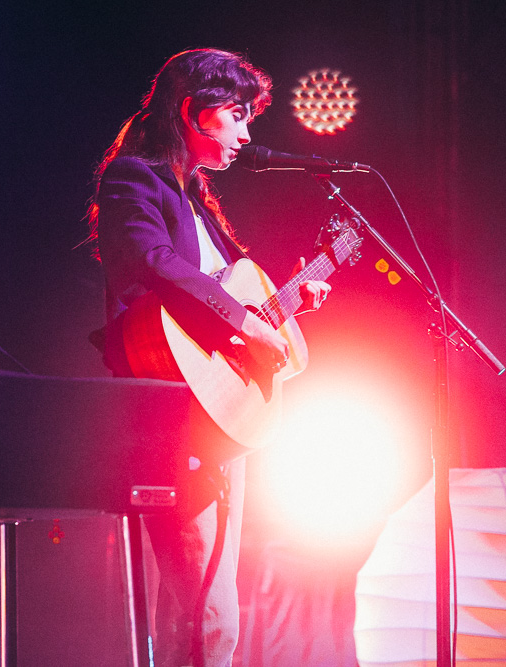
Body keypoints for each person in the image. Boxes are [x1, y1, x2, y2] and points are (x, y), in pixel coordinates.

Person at [85, 49, 330, 667]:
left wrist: (287, 303)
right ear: (195, 112)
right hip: (168, 410)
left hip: (219, 417)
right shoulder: (133, 177)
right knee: (207, 614)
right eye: (238, 117)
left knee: (211, 614)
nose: (248, 135)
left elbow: (227, 295)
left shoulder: (200, 201)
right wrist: (248, 320)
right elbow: (153, 263)